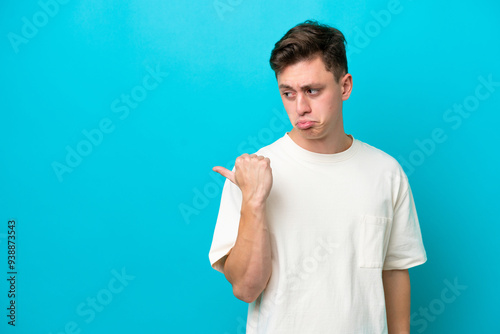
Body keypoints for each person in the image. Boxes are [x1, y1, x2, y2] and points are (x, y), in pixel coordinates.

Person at [208, 20, 427, 334]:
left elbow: (393, 272)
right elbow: (245, 289)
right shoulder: (253, 172)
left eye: (312, 90)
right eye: (288, 93)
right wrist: (253, 202)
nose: (300, 107)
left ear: (344, 86)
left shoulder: (386, 172)